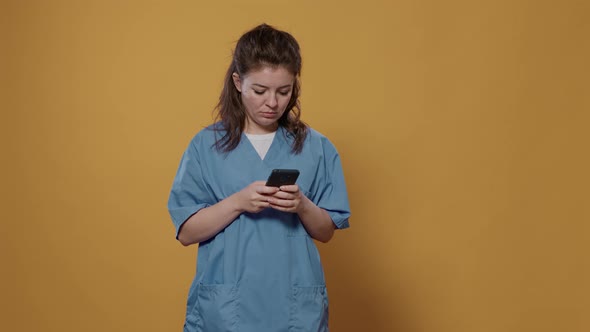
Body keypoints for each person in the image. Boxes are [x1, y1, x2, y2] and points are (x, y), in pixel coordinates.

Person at [167, 23, 351, 332]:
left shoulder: (317, 148)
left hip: (294, 310)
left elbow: (325, 232)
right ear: (238, 82)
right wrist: (238, 203)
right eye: (260, 91)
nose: (272, 103)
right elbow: (186, 232)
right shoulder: (205, 146)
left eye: (284, 91)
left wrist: (302, 205)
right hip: (226, 312)